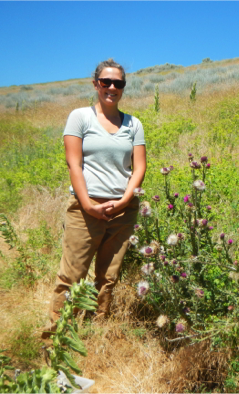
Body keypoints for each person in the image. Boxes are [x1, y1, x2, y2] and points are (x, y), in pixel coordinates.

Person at [42, 59, 146, 338]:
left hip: (122, 210)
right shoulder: (80, 117)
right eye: (106, 82)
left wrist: (124, 202)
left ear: (123, 87)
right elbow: (74, 164)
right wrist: (88, 204)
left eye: (118, 83)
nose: (112, 87)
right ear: (96, 84)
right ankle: (59, 336)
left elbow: (140, 168)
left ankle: (97, 332)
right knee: (71, 276)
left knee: (107, 278)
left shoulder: (133, 124)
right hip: (84, 208)